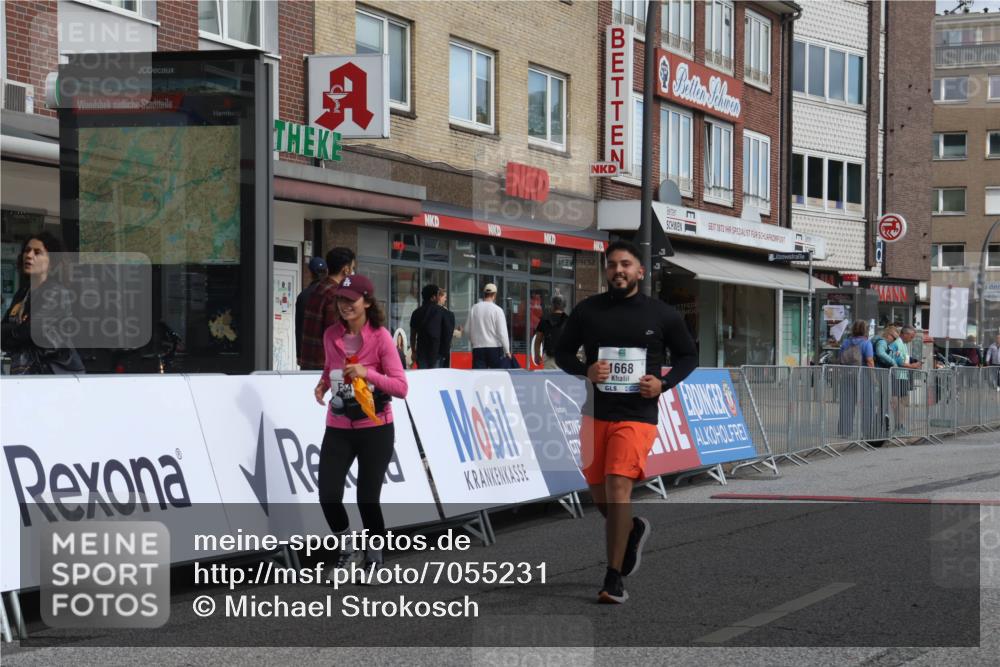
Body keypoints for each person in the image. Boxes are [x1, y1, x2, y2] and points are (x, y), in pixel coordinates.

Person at [554, 240, 697, 604]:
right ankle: (631, 530)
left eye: (626, 264)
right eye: (613, 264)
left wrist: (663, 383)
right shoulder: (588, 311)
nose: (619, 270)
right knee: (602, 499)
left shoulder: (662, 314)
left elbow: (688, 356)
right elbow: (562, 353)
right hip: (595, 415)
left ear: (640, 271)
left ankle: (613, 577)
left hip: (637, 417)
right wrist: (585, 369)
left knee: (619, 490)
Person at [313, 274, 408, 572]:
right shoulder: (331, 334)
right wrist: (323, 385)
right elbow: (332, 367)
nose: (344, 306)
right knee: (328, 495)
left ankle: (375, 558)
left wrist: (368, 374)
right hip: (339, 425)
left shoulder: (380, 337)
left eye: (351, 300)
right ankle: (347, 548)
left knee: (367, 498)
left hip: (376, 427)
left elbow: (401, 387)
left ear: (366, 301)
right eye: (340, 300)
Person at [1, 232, 85, 375]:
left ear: (51, 262)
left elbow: (30, 332)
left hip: (51, 373)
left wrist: (16, 331)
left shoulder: (56, 292)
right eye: (27, 250)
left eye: (37, 252)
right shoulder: (23, 292)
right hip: (23, 369)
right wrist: (16, 330)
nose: (29, 255)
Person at [299, 247, 356, 370]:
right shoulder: (336, 295)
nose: (353, 272)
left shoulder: (318, 289)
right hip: (326, 369)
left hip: (309, 365)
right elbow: (337, 338)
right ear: (346, 270)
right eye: (352, 268)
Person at [837, 320, 875, 438]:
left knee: (846, 403)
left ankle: (845, 431)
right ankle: (867, 431)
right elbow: (869, 361)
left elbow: (840, 358)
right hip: (862, 375)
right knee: (867, 403)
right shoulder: (866, 343)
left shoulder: (846, 342)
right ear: (865, 330)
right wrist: (874, 378)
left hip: (847, 375)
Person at [464, 283, 511, 369]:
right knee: (495, 377)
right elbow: (502, 333)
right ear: (495, 295)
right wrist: (507, 351)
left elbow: (467, 329)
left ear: (484, 294)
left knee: (479, 377)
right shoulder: (498, 310)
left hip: (478, 348)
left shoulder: (474, 308)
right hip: (495, 348)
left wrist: (474, 342)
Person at [890, 325, 922, 434]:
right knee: (898, 403)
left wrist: (914, 363)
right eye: (911, 337)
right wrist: (913, 366)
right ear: (905, 334)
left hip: (902, 376)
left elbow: (905, 359)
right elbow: (899, 362)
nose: (911, 339)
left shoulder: (903, 344)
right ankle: (898, 427)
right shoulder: (897, 344)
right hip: (897, 376)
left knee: (902, 403)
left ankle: (901, 426)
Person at [295, 257, 328, 360]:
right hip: (328, 354)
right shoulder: (331, 293)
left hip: (308, 352)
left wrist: (299, 354)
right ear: (326, 271)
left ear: (310, 273)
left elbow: (299, 327)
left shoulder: (303, 296)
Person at [409, 284, 448, 370]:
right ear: (433, 297)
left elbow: (412, 335)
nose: (439, 297)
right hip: (436, 353)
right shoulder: (442, 312)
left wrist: (413, 352)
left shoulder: (416, 313)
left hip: (421, 353)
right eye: (438, 294)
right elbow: (446, 333)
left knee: (423, 379)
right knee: (436, 380)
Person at [532, 295, 569, 370]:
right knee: (564, 380)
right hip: (565, 357)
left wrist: (537, 355)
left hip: (549, 357)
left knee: (551, 379)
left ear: (552, 306)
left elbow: (538, 339)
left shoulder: (545, 320)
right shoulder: (569, 320)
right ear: (564, 306)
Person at [437, 288, 457, 368]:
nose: (446, 299)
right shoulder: (445, 312)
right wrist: (458, 333)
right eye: (444, 297)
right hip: (442, 348)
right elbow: (447, 329)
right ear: (439, 297)